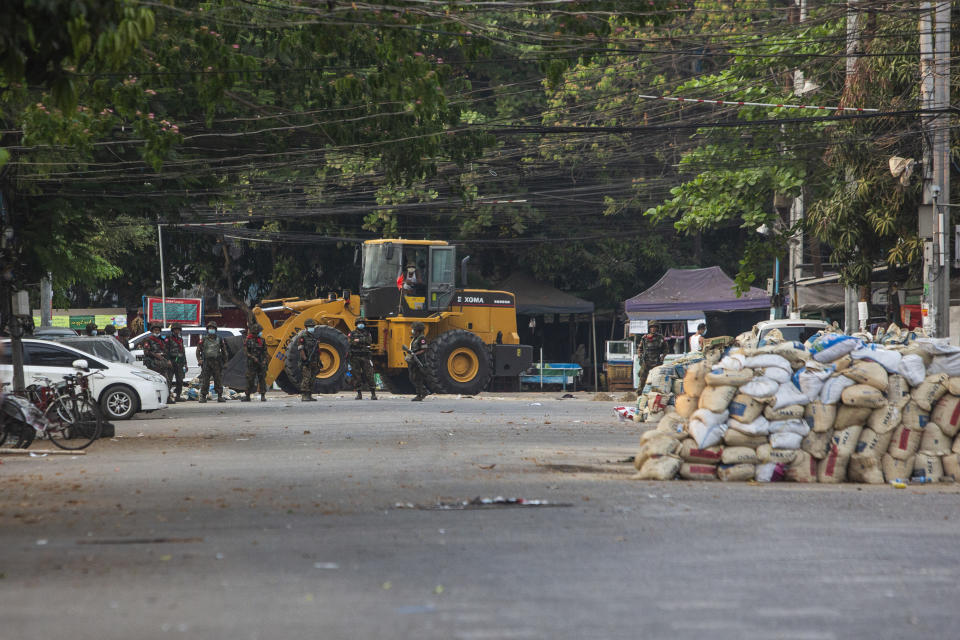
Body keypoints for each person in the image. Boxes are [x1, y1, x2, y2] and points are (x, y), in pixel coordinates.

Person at [197, 321, 228, 403]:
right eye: (210, 328)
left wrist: (225, 362)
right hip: (206, 362)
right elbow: (198, 350)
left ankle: (220, 396)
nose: (211, 330)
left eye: (213, 328)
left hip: (217, 362)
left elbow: (224, 351)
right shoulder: (203, 339)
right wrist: (199, 360)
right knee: (205, 380)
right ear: (207, 330)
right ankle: (203, 396)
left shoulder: (219, 339)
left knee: (218, 379)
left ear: (215, 330)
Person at [636, 321, 668, 393]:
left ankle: (656, 393)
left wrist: (663, 356)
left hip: (657, 361)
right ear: (649, 328)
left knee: (657, 378)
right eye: (652, 327)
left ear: (657, 328)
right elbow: (640, 348)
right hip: (646, 361)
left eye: (655, 327)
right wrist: (639, 355)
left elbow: (666, 349)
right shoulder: (644, 338)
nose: (653, 329)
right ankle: (639, 393)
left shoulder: (661, 338)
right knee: (642, 377)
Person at [348, 320, 377, 400]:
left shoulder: (367, 333)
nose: (361, 324)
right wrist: (362, 341)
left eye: (362, 323)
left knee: (369, 374)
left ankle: (373, 393)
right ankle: (359, 393)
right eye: (359, 323)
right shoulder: (352, 333)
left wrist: (359, 341)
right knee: (356, 375)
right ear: (356, 324)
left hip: (365, 356)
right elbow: (350, 342)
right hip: (355, 356)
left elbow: (369, 341)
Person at [242, 322, 269, 402]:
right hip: (252, 364)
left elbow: (265, 351)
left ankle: (263, 395)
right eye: (260, 331)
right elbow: (246, 352)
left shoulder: (262, 340)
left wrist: (264, 360)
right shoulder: (248, 340)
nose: (261, 333)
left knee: (262, 379)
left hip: (261, 363)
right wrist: (253, 357)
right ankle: (247, 396)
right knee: (250, 379)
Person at [142, 321, 172, 390]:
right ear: (152, 331)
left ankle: (167, 397)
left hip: (162, 364)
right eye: (155, 330)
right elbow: (146, 352)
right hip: (153, 364)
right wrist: (155, 355)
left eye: (158, 330)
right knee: (154, 382)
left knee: (166, 381)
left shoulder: (161, 340)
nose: (157, 332)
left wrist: (168, 360)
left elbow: (166, 351)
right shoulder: (148, 340)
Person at [297, 318, 321, 402]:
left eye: (313, 326)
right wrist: (305, 360)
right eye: (310, 326)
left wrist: (319, 361)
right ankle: (304, 395)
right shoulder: (302, 337)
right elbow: (301, 349)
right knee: (306, 378)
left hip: (314, 361)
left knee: (312, 378)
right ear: (306, 327)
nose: (312, 328)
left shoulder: (314, 337)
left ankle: (309, 395)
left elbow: (317, 350)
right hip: (306, 361)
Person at [407, 321, 429, 401]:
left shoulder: (422, 338)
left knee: (417, 378)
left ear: (418, 330)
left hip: (419, 360)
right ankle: (424, 391)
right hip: (413, 361)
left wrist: (415, 354)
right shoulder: (415, 338)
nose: (412, 331)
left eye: (414, 330)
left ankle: (420, 394)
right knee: (412, 377)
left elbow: (424, 349)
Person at [166, 324, 188, 403]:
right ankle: (167, 397)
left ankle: (178, 396)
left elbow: (183, 351)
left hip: (180, 362)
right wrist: (168, 360)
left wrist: (185, 363)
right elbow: (166, 351)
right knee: (169, 380)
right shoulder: (168, 339)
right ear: (172, 330)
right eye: (175, 330)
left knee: (180, 380)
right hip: (171, 362)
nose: (177, 331)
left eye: (178, 330)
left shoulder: (180, 339)